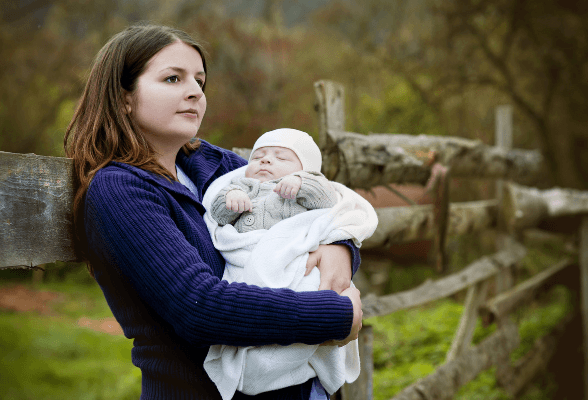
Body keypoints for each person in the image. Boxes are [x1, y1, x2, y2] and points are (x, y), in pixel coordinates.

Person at [63, 24, 363, 400]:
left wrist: (340, 246)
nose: (194, 92)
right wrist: (336, 316)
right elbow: (200, 307)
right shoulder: (120, 189)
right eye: (173, 78)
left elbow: (324, 201)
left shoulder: (213, 166)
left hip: (302, 386)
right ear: (124, 98)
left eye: (200, 81)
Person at [203, 128, 378, 400]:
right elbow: (217, 215)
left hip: (293, 260)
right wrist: (230, 201)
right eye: (258, 156)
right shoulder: (242, 186)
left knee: (310, 289)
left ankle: (298, 362)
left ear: (304, 167)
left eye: (281, 157)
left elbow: (327, 202)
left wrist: (301, 182)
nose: (265, 161)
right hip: (248, 264)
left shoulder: (308, 182)